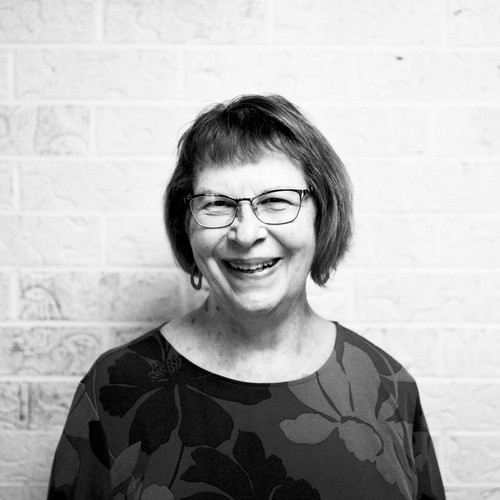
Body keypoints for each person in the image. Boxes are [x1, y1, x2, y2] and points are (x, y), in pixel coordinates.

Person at [47, 94, 445, 499]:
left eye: (275, 201)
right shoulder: (114, 389)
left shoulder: (387, 388)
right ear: (185, 226)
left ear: (322, 216)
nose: (247, 233)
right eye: (217, 204)